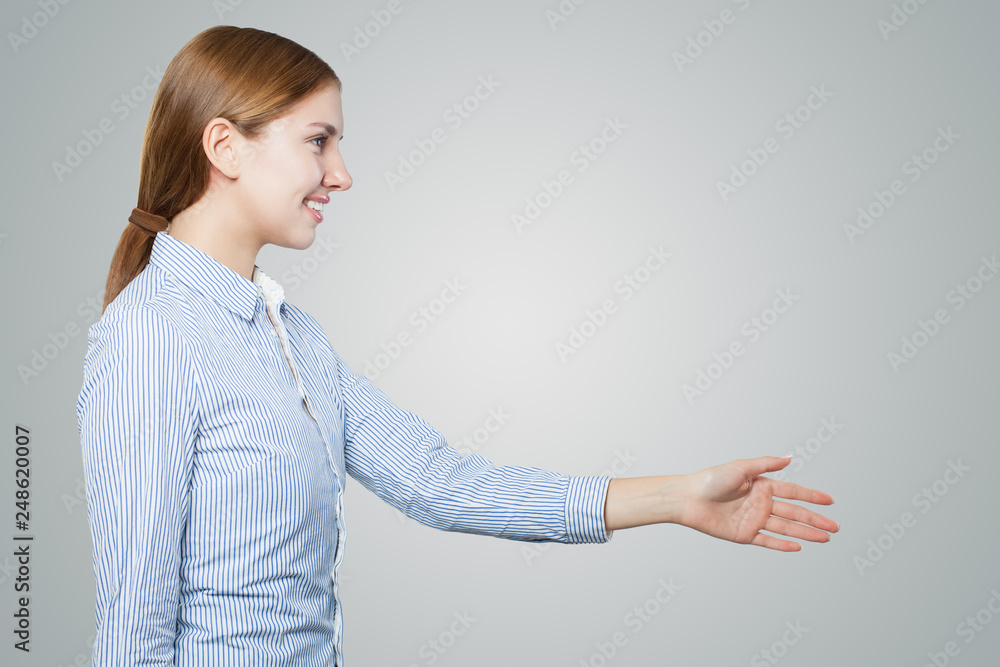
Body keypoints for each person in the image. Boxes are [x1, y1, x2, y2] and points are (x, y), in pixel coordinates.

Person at [76, 25, 840, 667]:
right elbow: (133, 626)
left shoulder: (291, 335)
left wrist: (677, 498)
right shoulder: (150, 338)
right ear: (225, 146)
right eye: (319, 140)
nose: (341, 174)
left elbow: (440, 483)